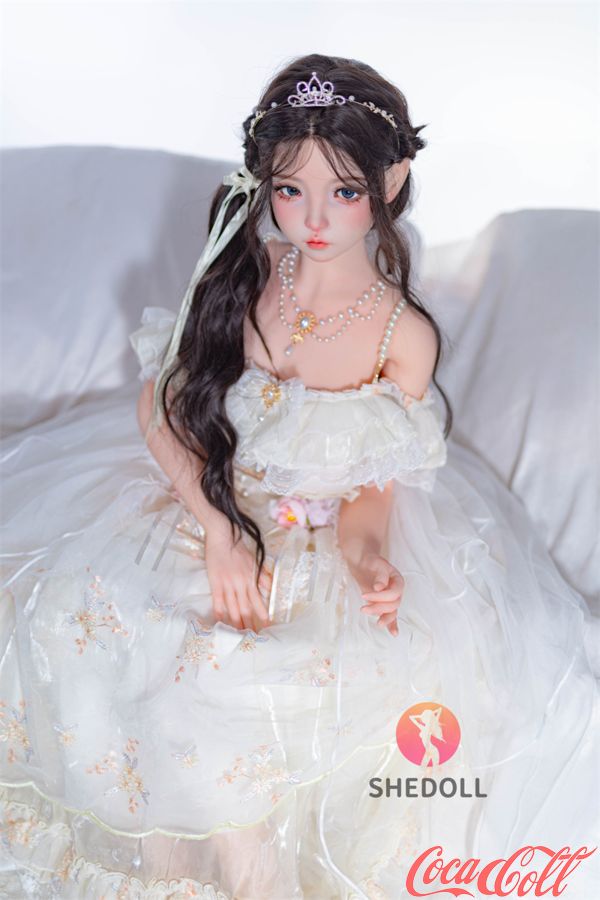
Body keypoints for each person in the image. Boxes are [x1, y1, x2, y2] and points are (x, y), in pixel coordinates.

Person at [1, 53, 598, 899]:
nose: (313, 219)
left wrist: (366, 556)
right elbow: (161, 404)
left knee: (292, 678)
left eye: (344, 192)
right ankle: (160, 862)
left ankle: (245, 874)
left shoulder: (401, 336)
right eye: (290, 190)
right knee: (96, 610)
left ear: (390, 183)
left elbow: (377, 478)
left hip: (318, 536)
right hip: (202, 499)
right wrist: (219, 529)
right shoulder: (247, 276)